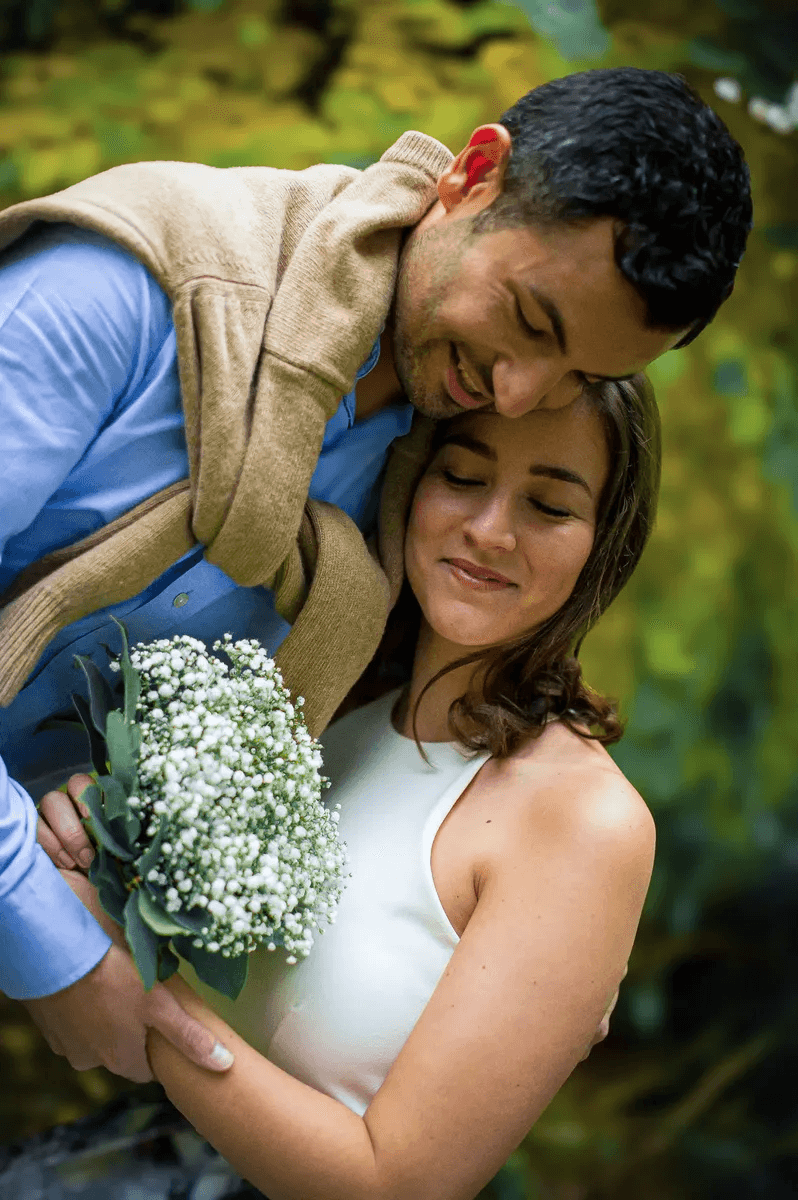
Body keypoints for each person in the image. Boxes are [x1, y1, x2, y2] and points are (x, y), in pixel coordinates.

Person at [0, 67, 751, 1085]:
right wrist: (50, 943)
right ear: (473, 175)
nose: (524, 392)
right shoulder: (139, 289)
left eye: (580, 377)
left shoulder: (420, 488)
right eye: (531, 322)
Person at [32, 372, 657, 1200]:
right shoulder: (328, 702)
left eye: (549, 506)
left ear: (605, 543)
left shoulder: (585, 823)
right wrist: (87, 858)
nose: (489, 530)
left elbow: (395, 1184)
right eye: (462, 477)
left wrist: (122, 992)